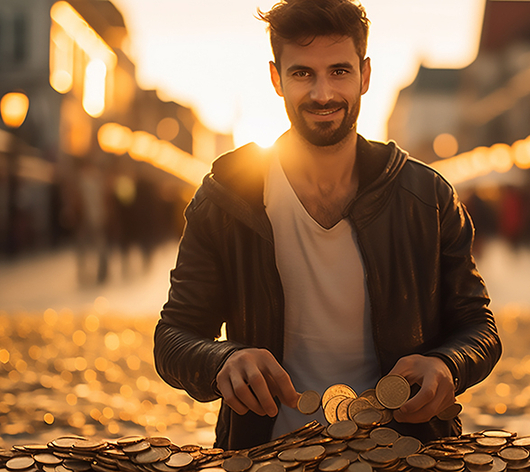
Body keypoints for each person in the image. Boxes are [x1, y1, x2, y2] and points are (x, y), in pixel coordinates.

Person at [154, 0, 502, 451]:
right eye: (303, 74)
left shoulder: (427, 197)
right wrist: (223, 358)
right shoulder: (226, 198)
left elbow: (479, 325)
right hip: (267, 451)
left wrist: (447, 364)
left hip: (405, 450)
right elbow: (174, 335)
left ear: (366, 74)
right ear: (277, 78)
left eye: (339, 71)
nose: (322, 94)